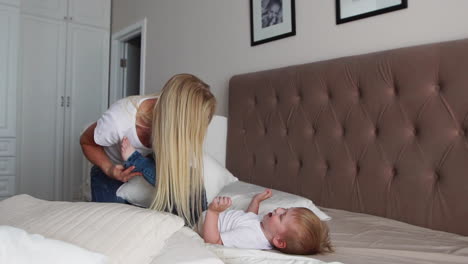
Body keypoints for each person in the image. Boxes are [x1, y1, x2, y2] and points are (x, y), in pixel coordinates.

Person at [80, 73, 216, 227]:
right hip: (113, 172)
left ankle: (138, 161)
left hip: (148, 162)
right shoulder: (118, 121)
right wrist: (110, 169)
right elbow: (86, 142)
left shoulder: (172, 132)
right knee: (111, 226)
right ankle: (135, 161)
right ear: (178, 119)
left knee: (190, 188)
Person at [202, 189, 333, 255]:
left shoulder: (250, 237)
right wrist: (256, 201)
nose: (279, 209)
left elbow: (214, 242)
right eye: (285, 209)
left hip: (199, 220)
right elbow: (249, 218)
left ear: (279, 241)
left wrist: (213, 212)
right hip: (205, 214)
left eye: (282, 216)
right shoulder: (264, 229)